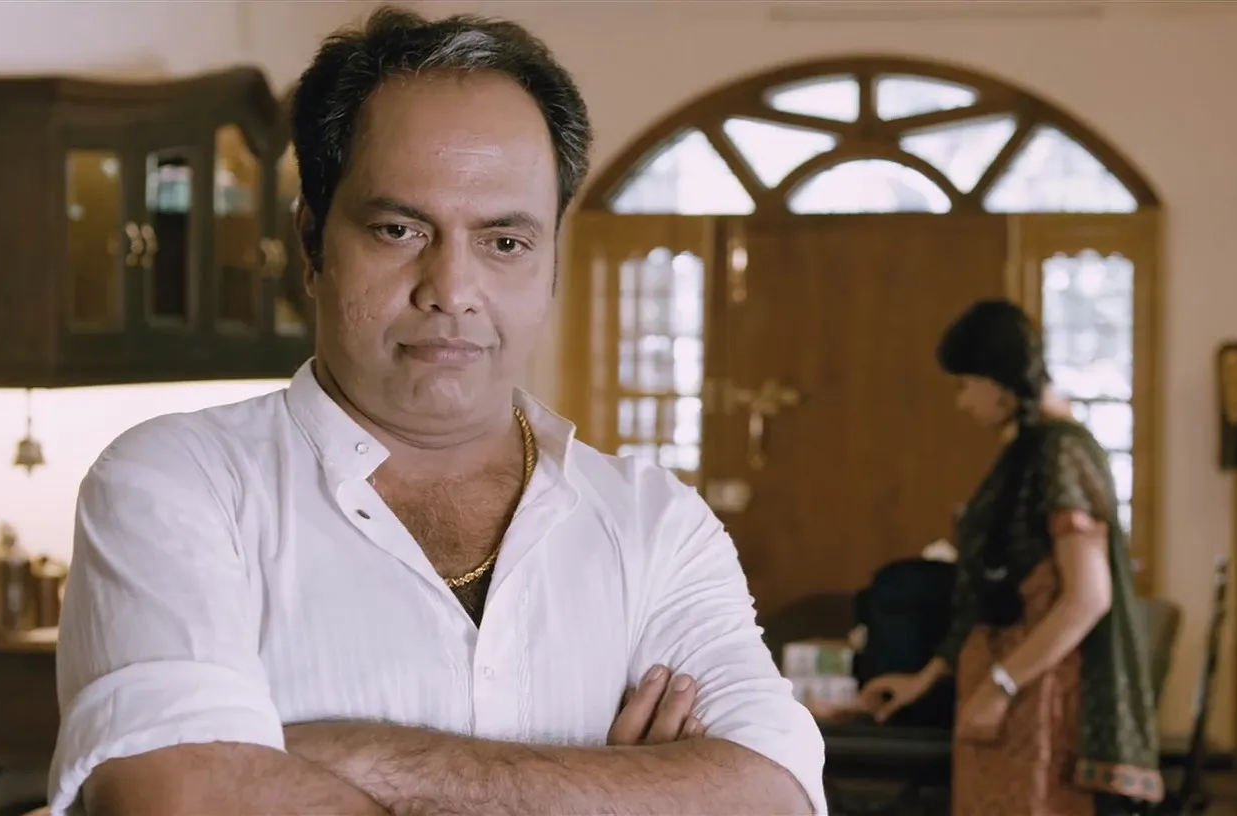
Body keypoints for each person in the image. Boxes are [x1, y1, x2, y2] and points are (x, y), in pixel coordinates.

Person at [46, 7, 823, 815]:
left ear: (551, 262)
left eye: (504, 242)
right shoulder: (178, 483)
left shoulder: (654, 525)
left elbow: (774, 794)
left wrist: (322, 753)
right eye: (398, 230)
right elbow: (183, 796)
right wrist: (619, 790)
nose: (451, 290)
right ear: (311, 244)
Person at [857, 299, 1161, 815]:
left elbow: (1088, 597)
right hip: (1010, 694)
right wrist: (925, 681)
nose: (962, 402)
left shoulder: (1062, 452)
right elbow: (986, 590)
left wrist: (1002, 685)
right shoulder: (1029, 448)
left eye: (965, 384)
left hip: (1042, 699)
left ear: (998, 383)